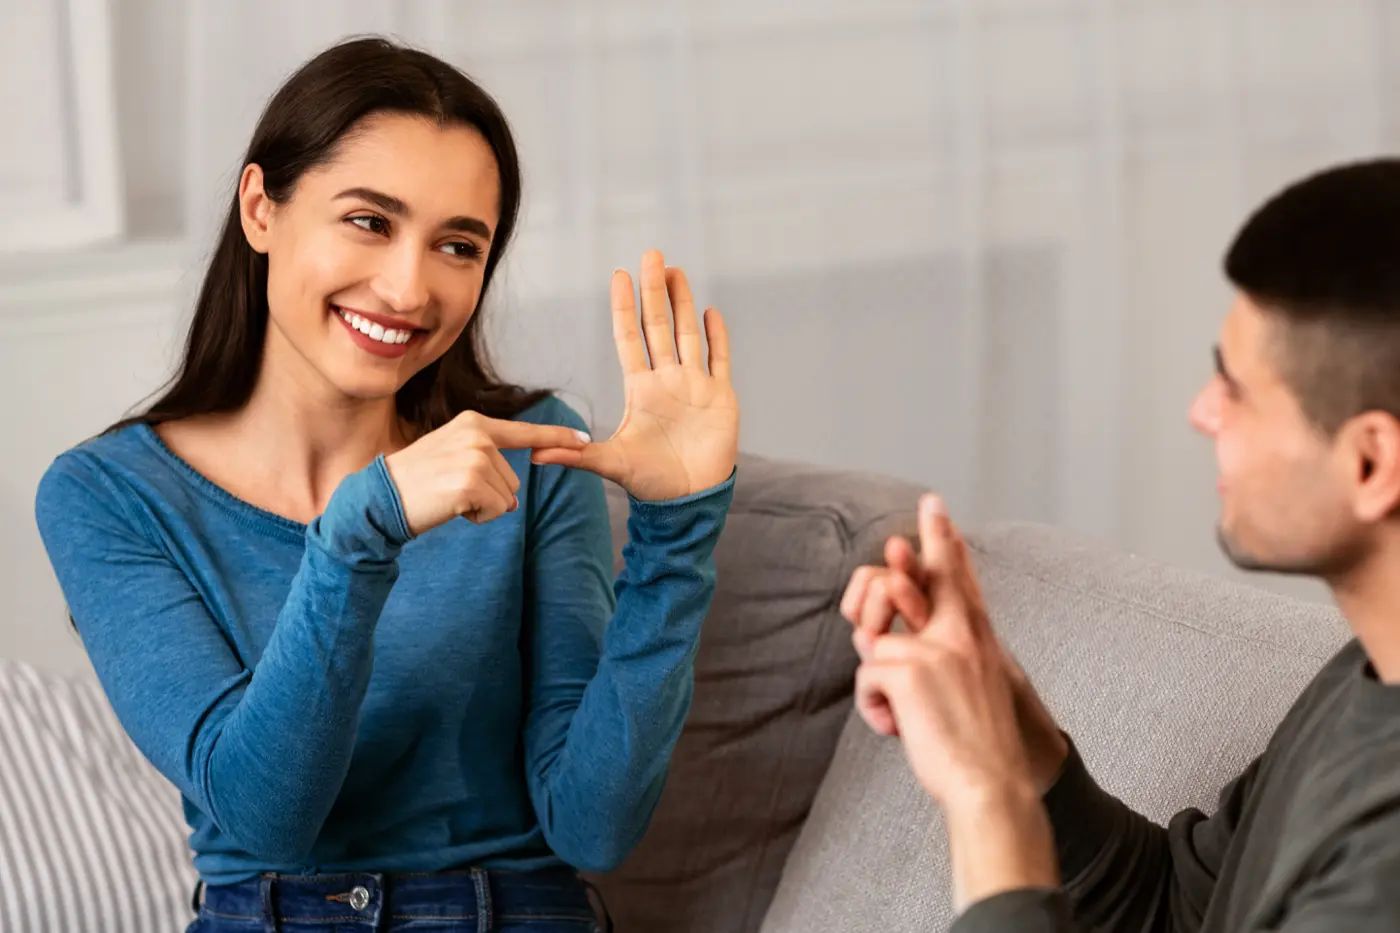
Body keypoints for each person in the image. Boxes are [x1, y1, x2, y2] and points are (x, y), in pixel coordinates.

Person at [34, 37, 739, 933]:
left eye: (456, 244)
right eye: (369, 221)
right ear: (261, 208)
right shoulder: (109, 495)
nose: (408, 287)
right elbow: (266, 816)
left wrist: (676, 532)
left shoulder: (532, 452)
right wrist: (357, 535)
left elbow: (593, 825)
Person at [840, 158, 1400, 932]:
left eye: (1235, 389)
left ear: (1371, 462)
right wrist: (1019, 742)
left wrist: (987, 795)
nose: (1203, 412)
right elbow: (1176, 911)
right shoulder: (1368, 673)